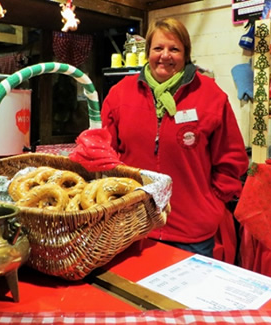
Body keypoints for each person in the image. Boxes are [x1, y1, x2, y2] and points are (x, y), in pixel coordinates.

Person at [101, 17, 249, 257]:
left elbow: (232, 159)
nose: (165, 55)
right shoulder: (120, 94)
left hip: (192, 234)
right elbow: (105, 154)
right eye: (158, 48)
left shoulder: (211, 96)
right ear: (148, 52)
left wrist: (211, 204)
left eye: (174, 49)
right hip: (133, 228)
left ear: (186, 54)